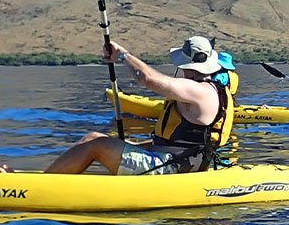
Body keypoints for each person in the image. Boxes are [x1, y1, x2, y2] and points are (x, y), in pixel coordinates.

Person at [40, 36, 235, 175]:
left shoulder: (199, 90)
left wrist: (122, 56)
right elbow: (177, 142)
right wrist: (131, 145)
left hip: (171, 168)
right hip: (172, 160)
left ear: (186, 66)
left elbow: (148, 78)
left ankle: (40, 187)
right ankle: (49, 177)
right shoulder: (209, 88)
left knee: (96, 146)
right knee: (94, 137)